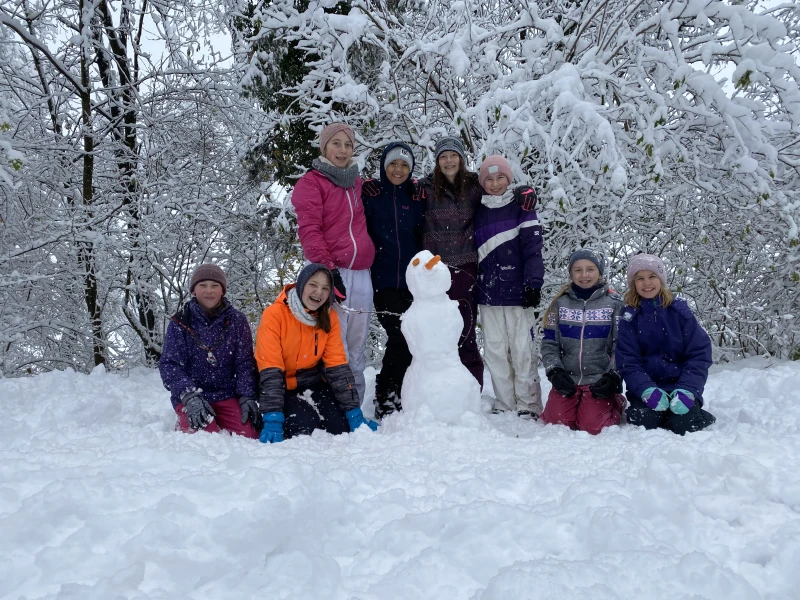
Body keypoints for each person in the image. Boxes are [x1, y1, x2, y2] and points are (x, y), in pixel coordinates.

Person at [291, 122, 376, 403]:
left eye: (348, 144)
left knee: (356, 343)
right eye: (336, 143)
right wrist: (327, 271)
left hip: (361, 272)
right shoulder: (311, 182)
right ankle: (334, 404)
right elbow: (309, 230)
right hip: (331, 272)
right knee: (333, 343)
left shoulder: (356, 182)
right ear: (324, 147)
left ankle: (357, 404)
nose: (342, 150)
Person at [254, 263, 379, 442]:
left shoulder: (329, 318)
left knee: (340, 427)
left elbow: (337, 367)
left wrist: (354, 413)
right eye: (313, 285)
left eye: (325, 288)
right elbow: (270, 368)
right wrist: (272, 418)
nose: (318, 292)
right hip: (280, 386)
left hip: (311, 382)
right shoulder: (275, 314)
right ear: (301, 285)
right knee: (304, 425)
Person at [474, 155, 544, 419]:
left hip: (518, 292)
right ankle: (504, 402)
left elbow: (533, 250)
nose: (494, 184)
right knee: (494, 349)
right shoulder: (477, 209)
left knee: (522, 348)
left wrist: (533, 283)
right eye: (488, 179)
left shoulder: (521, 206)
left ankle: (528, 403)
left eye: (500, 177)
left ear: (509, 179)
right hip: (487, 292)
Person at [616, 254, 716, 435]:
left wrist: (687, 389)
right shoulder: (629, 318)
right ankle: (660, 412)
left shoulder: (680, 313)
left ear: (661, 279)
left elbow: (699, 354)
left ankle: (692, 411)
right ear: (634, 283)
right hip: (646, 389)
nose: (647, 283)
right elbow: (627, 361)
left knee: (684, 424)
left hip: (681, 386)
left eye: (652, 276)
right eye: (640, 278)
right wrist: (646, 389)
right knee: (645, 421)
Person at [159, 264, 260, 438]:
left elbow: (245, 362)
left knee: (250, 435)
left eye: (215, 286)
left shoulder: (237, 321)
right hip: (191, 396)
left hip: (225, 394)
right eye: (202, 285)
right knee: (203, 438)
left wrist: (246, 396)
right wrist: (189, 394)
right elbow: (170, 364)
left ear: (223, 290)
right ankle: (184, 420)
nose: (209, 291)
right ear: (193, 290)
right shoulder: (180, 321)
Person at [362, 141, 425, 419]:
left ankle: (404, 392)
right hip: (384, 281)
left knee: (414, 339)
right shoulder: (372, 195)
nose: (398, 169)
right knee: (400, 336)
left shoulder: (417, 197)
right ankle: (385, 395)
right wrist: (363, 187)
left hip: (414, 284)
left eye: (404, 165)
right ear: (383, 166)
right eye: (393, 164)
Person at [418, 135, 485, 387]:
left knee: (465, 330)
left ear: (461, 158)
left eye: (453, 155)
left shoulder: (474, 186)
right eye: (443, 156)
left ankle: (472, 385)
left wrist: (524, 192)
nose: (448, 161)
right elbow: (397, 193)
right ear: (437, 161)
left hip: (465, 266)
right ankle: (440, 386)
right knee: (438, 332)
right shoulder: (424, 188)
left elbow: (500, 189)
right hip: (435, 270)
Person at [540, 249, 625, 434]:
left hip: (599, 380)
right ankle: (574, 402)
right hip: (568, 378)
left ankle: (616, 402)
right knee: (557, 422)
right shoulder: (560, 304)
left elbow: (622, 345)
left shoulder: (615, 304)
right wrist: (554, 371)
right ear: (571, 273)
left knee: (592, 426)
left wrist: (613, 375)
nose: (584, 275)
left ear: (599, 272)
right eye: (578, 270)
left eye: (590, 269)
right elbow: (549, 343)